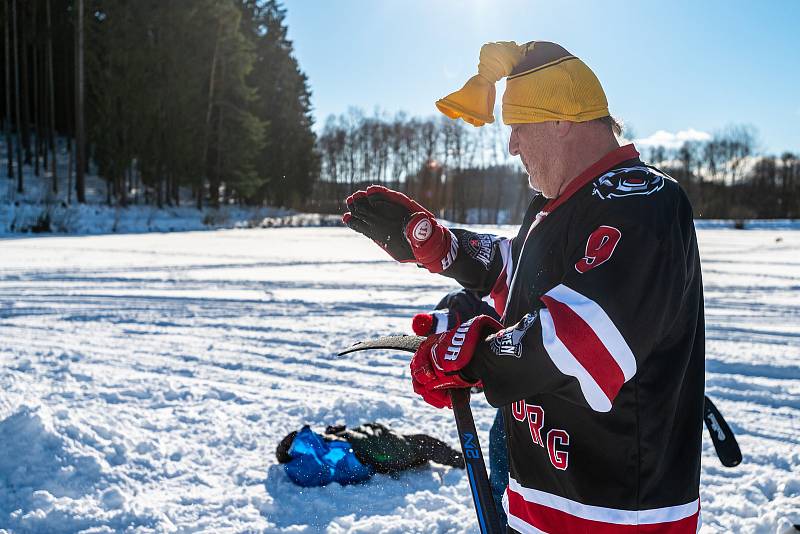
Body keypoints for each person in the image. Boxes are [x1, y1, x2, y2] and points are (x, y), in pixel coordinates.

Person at [343, 40, 705, 533]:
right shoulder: (555, 207)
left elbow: (581, 338)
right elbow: (521, 277)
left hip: (613, 515)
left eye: (518, 127)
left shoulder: (645, 203)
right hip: (537, 504)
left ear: (561, 119)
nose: (511, 146)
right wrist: (439, 246)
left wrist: (473, 356)